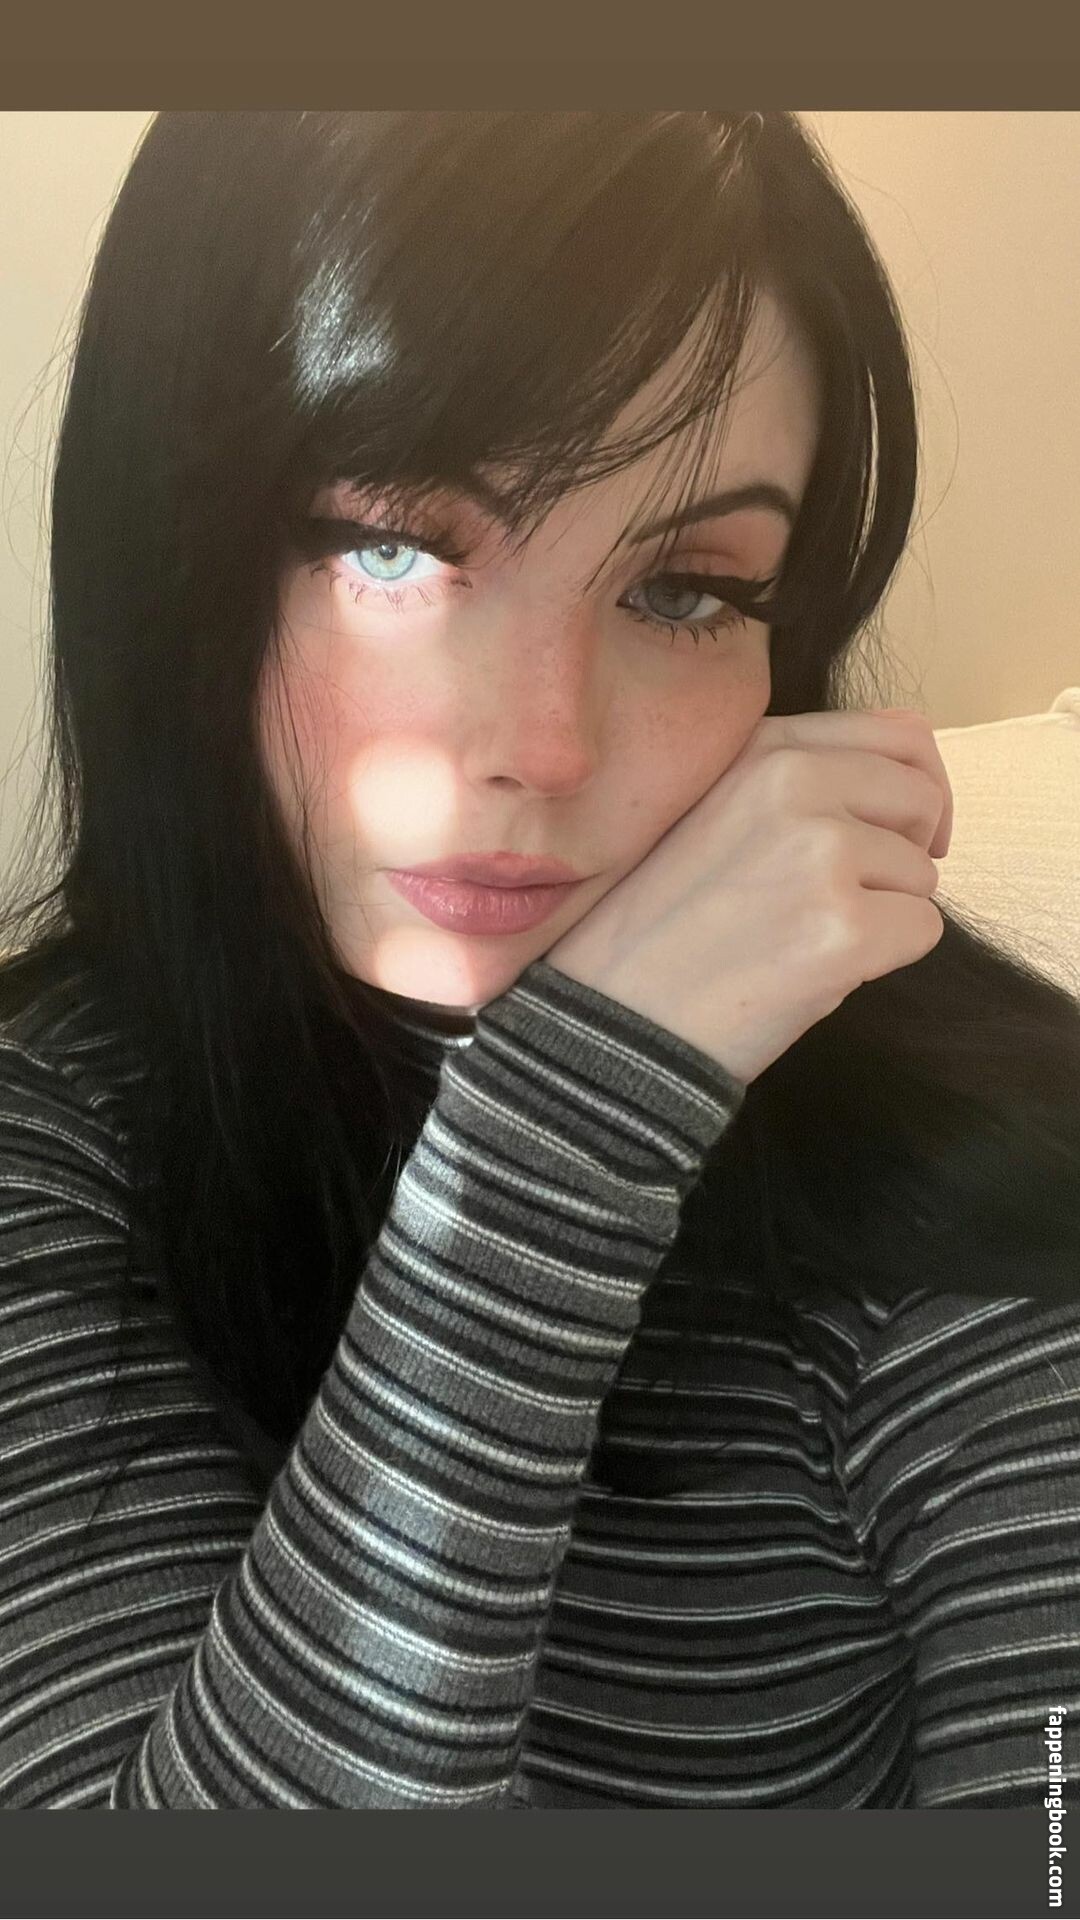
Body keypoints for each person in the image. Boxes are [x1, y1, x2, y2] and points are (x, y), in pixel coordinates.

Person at [0, 109, 1077, 1812]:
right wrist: (571, 1125)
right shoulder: (48, 1140)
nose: (545, 746)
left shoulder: (984, 1160)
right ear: (174, 559)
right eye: (392, 545)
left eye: (687, 588)